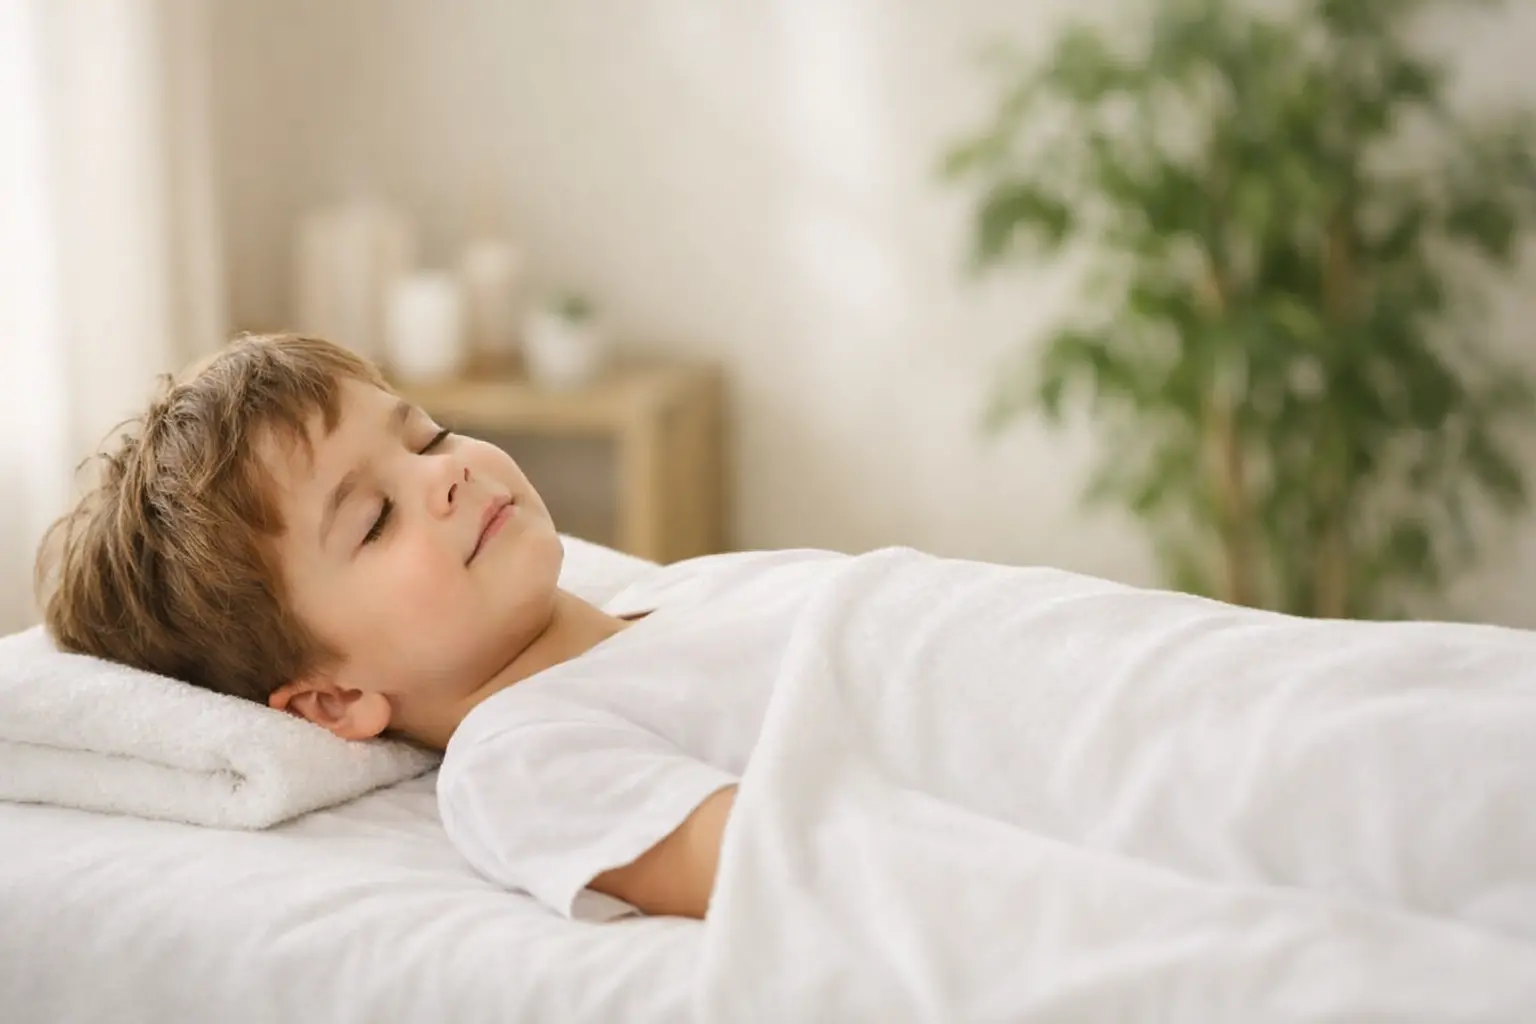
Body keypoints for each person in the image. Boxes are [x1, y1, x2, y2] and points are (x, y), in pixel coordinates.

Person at [37, 333, 835, 921]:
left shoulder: (692, 589)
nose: (443, 472)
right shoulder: (520, 758)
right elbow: (799, 867)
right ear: (334, 701)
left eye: (428, 437)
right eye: (375, 519)